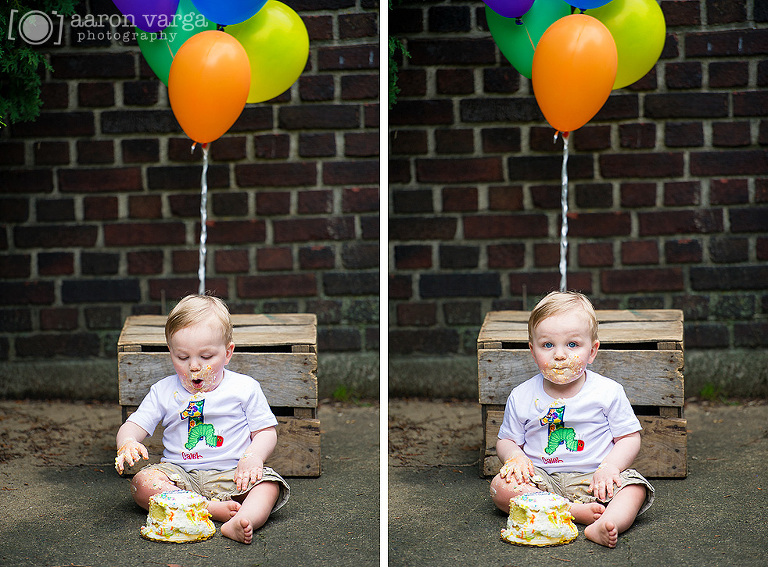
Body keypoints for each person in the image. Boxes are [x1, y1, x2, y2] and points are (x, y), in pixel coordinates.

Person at [114, 294, 289, 544]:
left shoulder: (244, 388)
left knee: (268, 486)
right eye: (182, 357)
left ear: (228, 352)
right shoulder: (164, 391)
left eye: (206, 357)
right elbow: (133, 425)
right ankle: (206, 508)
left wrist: (253, 458)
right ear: (171, 352)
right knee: (142, 483)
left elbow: (265, 431)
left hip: (232, 474)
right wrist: (128, 441)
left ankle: (242, 521)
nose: (194, 366)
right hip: (179, 476)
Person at [489, 291, 653, 548]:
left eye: (573, 345)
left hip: (594, 479)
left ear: (592, 351)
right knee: (502, 487)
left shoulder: (607, 391)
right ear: (533, 351)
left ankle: (605, 523)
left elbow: (629, 437)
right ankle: (572, 511)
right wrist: (515, 456)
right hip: (542, 480)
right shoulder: (522, 395)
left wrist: (610, 467)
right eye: (547, 345)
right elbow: (506, 440)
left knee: (634, 489)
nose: (560, 355)